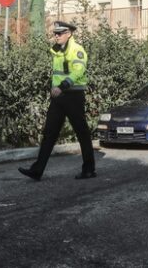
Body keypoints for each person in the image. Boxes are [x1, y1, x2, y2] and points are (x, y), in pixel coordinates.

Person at [18, 21, 96, 181]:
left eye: (60, 33)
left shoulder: (77, 50)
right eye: (55, 33)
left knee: (82, 133)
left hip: (73, 95)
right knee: (49, 134)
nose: (56, 36)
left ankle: (89, 169)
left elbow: (78, 71)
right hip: (59, 97)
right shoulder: (57, 51)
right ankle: (37, 170)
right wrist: (56, 89)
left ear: (69, 33)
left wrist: (62, 86)